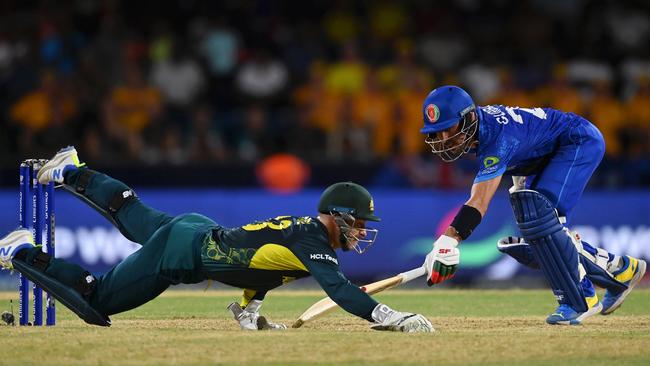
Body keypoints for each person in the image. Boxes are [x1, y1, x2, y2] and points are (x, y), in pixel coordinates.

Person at [0, 146, 432, 333]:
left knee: (129, 214)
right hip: (184, 250)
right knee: (95, 303)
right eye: (358, 222)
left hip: (195, 231)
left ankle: (73, 169)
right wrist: (388, 316)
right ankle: (20, 250)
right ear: (338, 215)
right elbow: (340, 291)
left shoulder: (307, 234)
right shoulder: (313, 239)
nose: (361, 231)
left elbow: (263, 263)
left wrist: (250, 307)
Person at [419, 85, 646, 325]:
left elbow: (479, 201)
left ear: (469, 117)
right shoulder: (482, 128)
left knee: (538, 218)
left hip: (577, 142)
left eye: (449, 129)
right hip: (546, 155)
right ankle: (621, 270)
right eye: (439, 133)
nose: (445, 139)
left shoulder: (497, 138)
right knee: (537, 231)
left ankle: (580, 299)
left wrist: (448, 240)